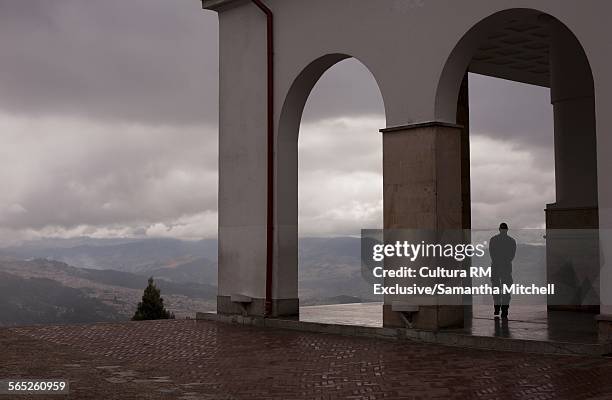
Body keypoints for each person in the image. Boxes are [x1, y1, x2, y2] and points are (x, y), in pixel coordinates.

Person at [489, 222, 516, 319]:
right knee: (506, 289)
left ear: (499, 229)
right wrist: (505, 262)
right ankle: (504, 309)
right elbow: (512, 255)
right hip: (505, 267)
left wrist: (497, 262)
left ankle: (497, 308)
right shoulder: (511, 241)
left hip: (496, 266)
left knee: (496, 288)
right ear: (507, 230)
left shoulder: (493, 240)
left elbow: (491, 253)